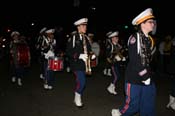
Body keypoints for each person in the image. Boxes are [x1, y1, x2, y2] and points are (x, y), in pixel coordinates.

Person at [111, 8, 157, 116]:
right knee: (133, 106)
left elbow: (148, 60)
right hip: (135, 78)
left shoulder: (149, 39)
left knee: (148, 105)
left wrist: (148, 75)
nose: (153, 24)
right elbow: (135, 60)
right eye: (150, 22)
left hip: (148, 78)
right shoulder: (135, 38)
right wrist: (145, 75)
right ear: (143, 24)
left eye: (153, 22)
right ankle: (120, 114)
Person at [66, 17, 95, 108]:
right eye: (83, 26)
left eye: (85, 26)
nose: (85, 28)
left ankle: (78, 95)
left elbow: (89, 49)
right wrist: (79, 55)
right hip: (76, 64)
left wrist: (92, 55)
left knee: (82, 82)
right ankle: (77, 96)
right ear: (78, 27)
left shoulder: (86, 38)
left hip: (85, 64)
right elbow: (68, 51)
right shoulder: (74, 37)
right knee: (81, 82)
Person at [106, 31, 126, 95]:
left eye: (117, 37)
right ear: (112, 38)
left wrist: (122, 57)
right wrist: (113, 59)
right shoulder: (110, 46)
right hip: (113, 63)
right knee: (116, 76)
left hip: (117, 63)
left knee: (118, 76)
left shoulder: (117, 45)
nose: (117, 39)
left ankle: (112, 87)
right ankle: (110, 87)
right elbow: (107, 56)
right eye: (116, 38)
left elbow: (119, 52)